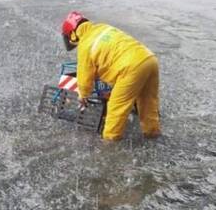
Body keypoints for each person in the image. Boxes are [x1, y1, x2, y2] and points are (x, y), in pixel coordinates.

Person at [61, 11, 161, 141]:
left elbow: (84, 76)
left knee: (116, 109)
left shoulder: (85, 45)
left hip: (131, 68)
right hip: (150, 59)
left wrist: (83, 95)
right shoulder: (103, 27)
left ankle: (110, 144)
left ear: (73, 34)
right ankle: (152, 134)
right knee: (148, 102)